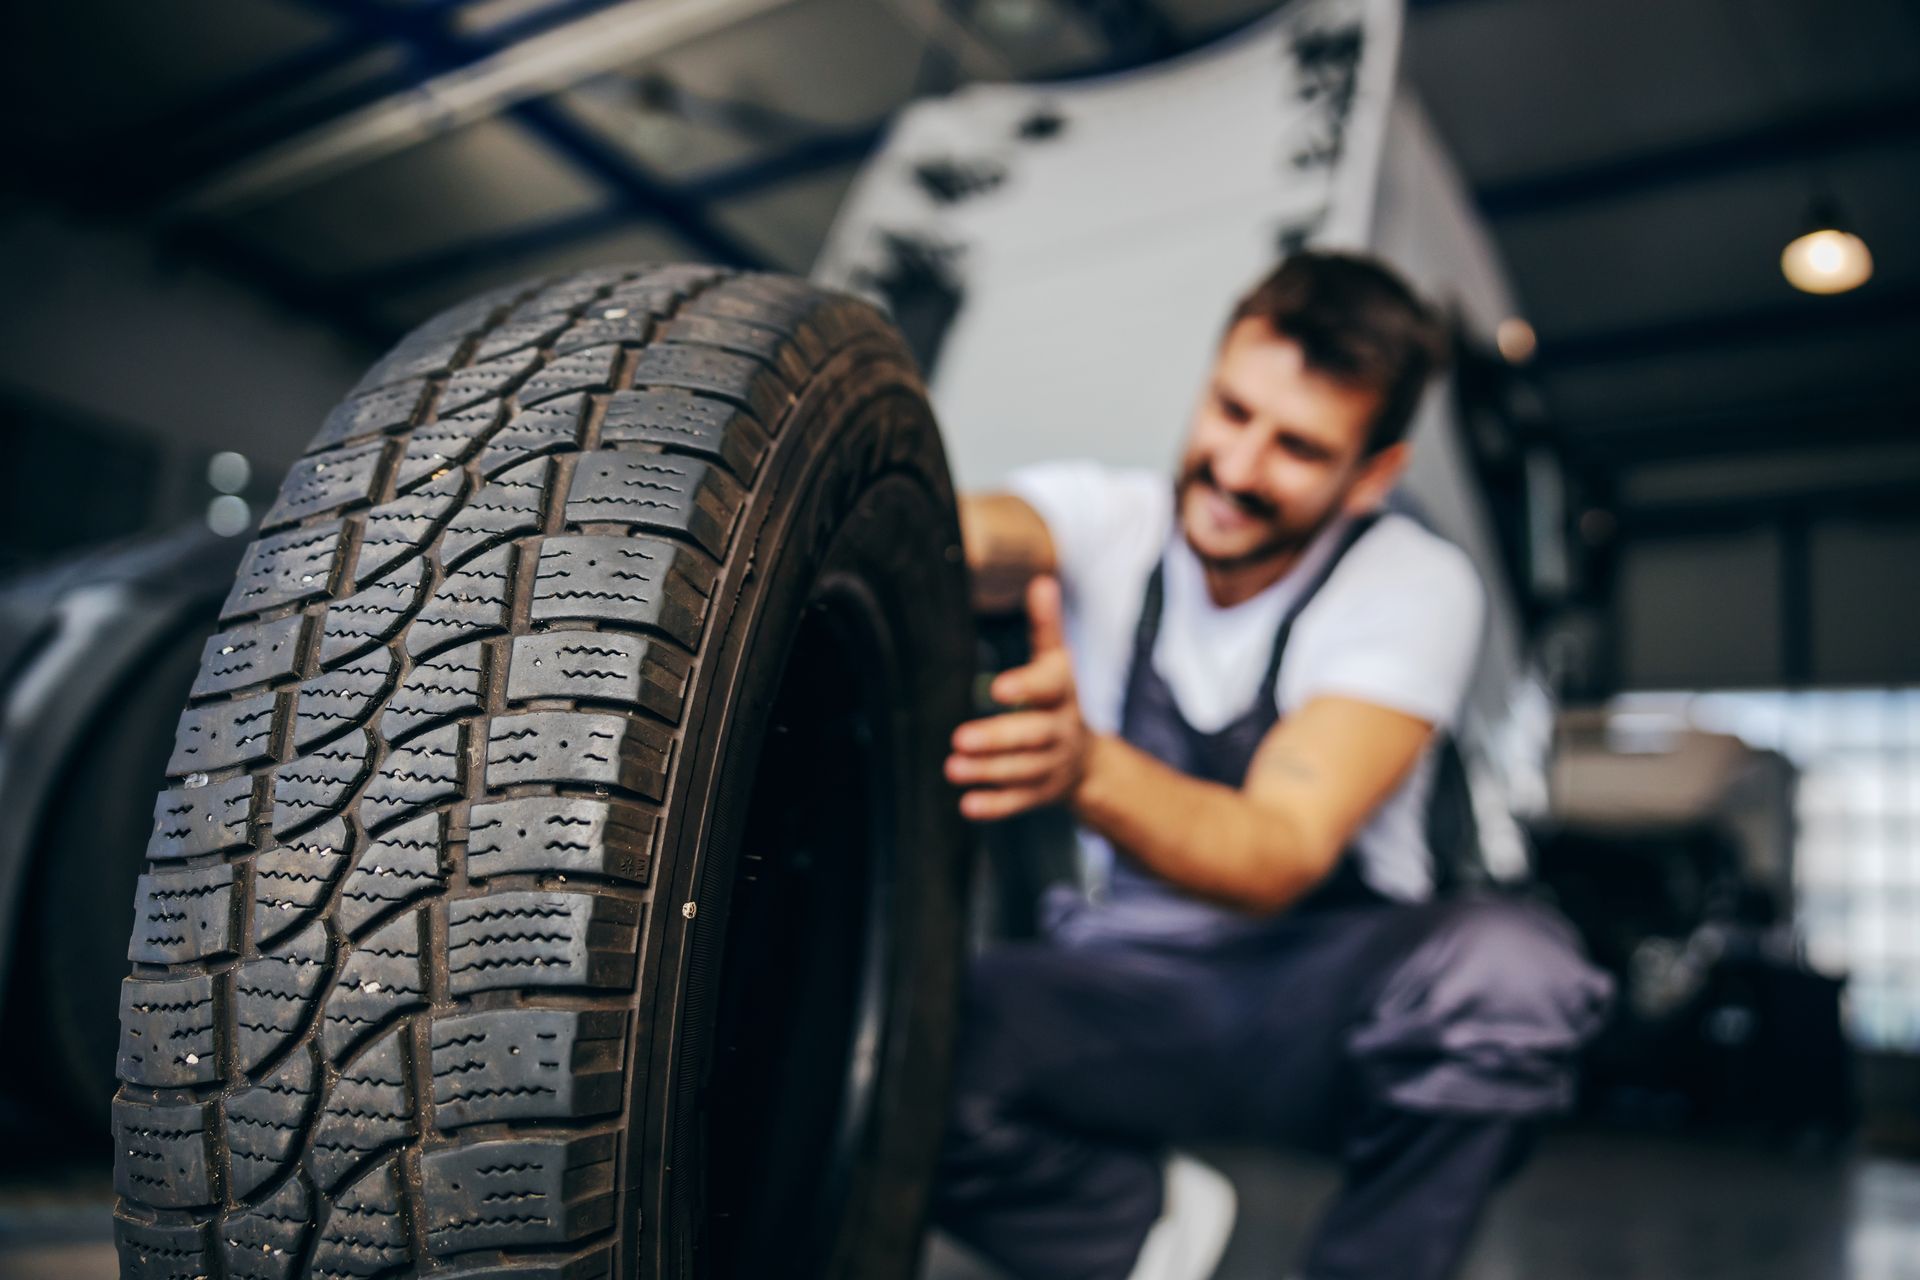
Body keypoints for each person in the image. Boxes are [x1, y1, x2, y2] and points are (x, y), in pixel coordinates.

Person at [933, 251, 1613, 1280]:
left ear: (1371, 474)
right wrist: (879, 499)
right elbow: (973, 530)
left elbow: (1278, 849)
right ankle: (1138, 1227)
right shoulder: (1106, 521)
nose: (1239, 468)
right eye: (1230, 410)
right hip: (1123, 990)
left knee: (1510, 977)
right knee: (901, 1041)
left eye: (1299, 446)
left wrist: (1086, 768)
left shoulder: (1411, 584)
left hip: (1315, 1007)